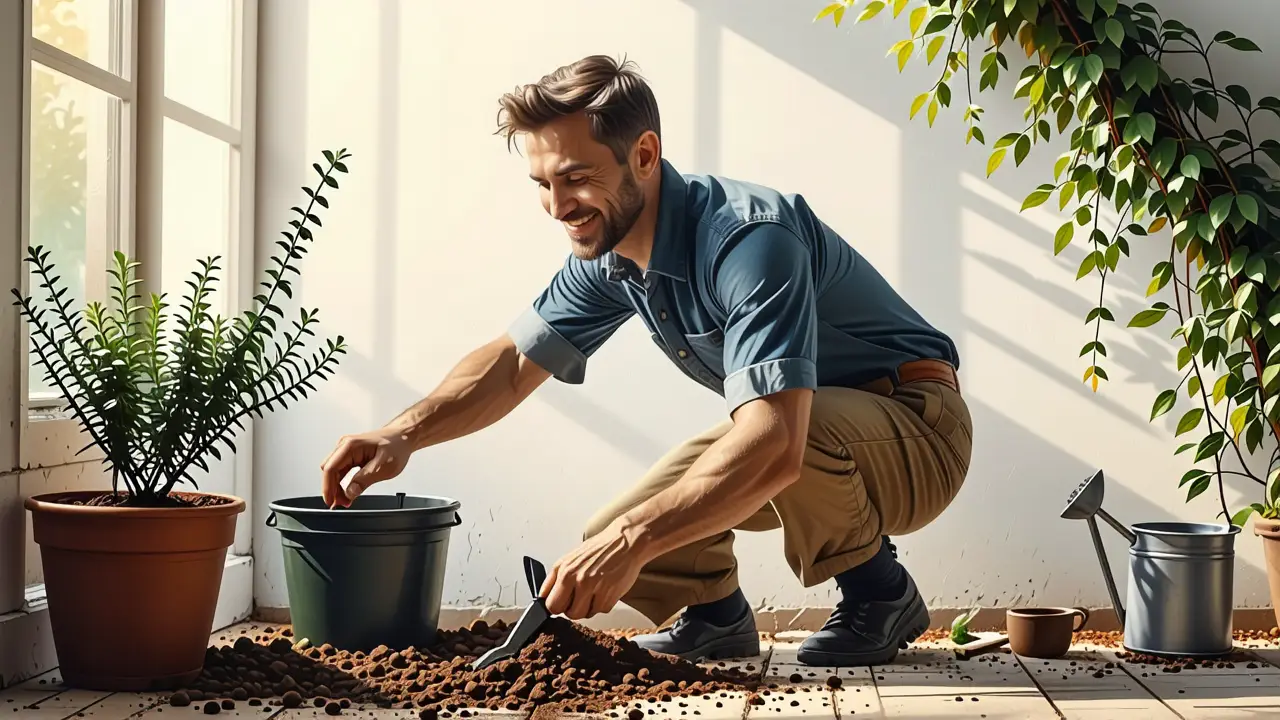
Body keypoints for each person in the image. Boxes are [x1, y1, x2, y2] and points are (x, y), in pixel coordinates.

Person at [319, 54, 972, 667]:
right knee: (611, 529)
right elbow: (513, 362)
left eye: (575, 177)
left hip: (916, 426)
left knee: (726, 471)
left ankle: (878, 592)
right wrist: (401, 431)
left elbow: (777, 446)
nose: (557, 205)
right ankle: (716, 615)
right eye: (542, 183)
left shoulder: (749, 241)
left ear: (645, 155)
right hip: (812, 429)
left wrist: (634, 540)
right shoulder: (609, 253)